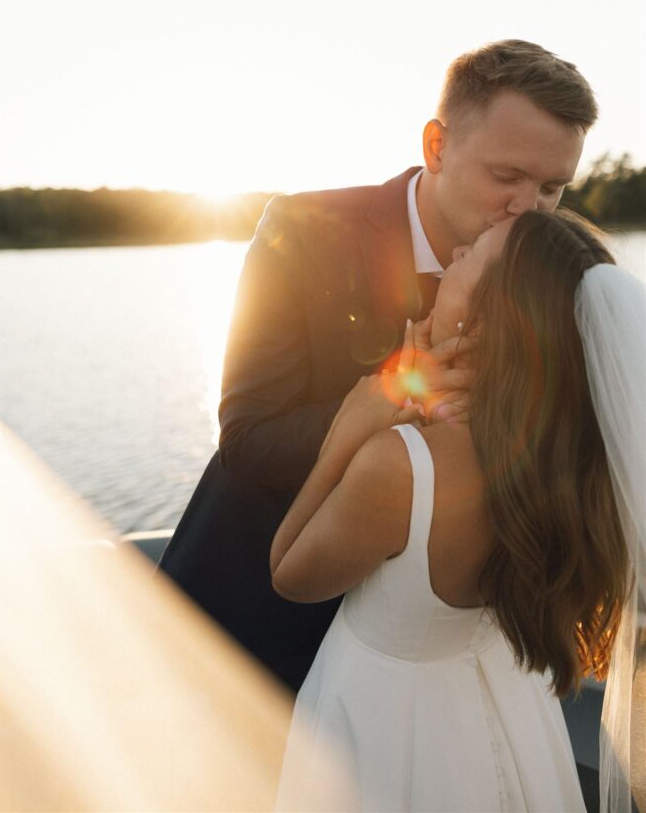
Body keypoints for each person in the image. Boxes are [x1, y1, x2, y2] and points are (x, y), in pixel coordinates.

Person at [159, 39, 598, 691]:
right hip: (254, 619)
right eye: (506, 177)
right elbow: (247, 441)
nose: (526, 208)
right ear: (436, 147)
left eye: (551, 188)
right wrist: (401, 396)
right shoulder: (303, 230)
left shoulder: (549, 281)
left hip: (426, 641)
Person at [272, 209, 644, 813]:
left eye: (468, 256)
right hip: (510, 714)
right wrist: (418, 397)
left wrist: (351, 425)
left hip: (386, 728)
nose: (450, 260)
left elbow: (288, 571)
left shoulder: (397, 469)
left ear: (485, 317)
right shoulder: (560, 457)